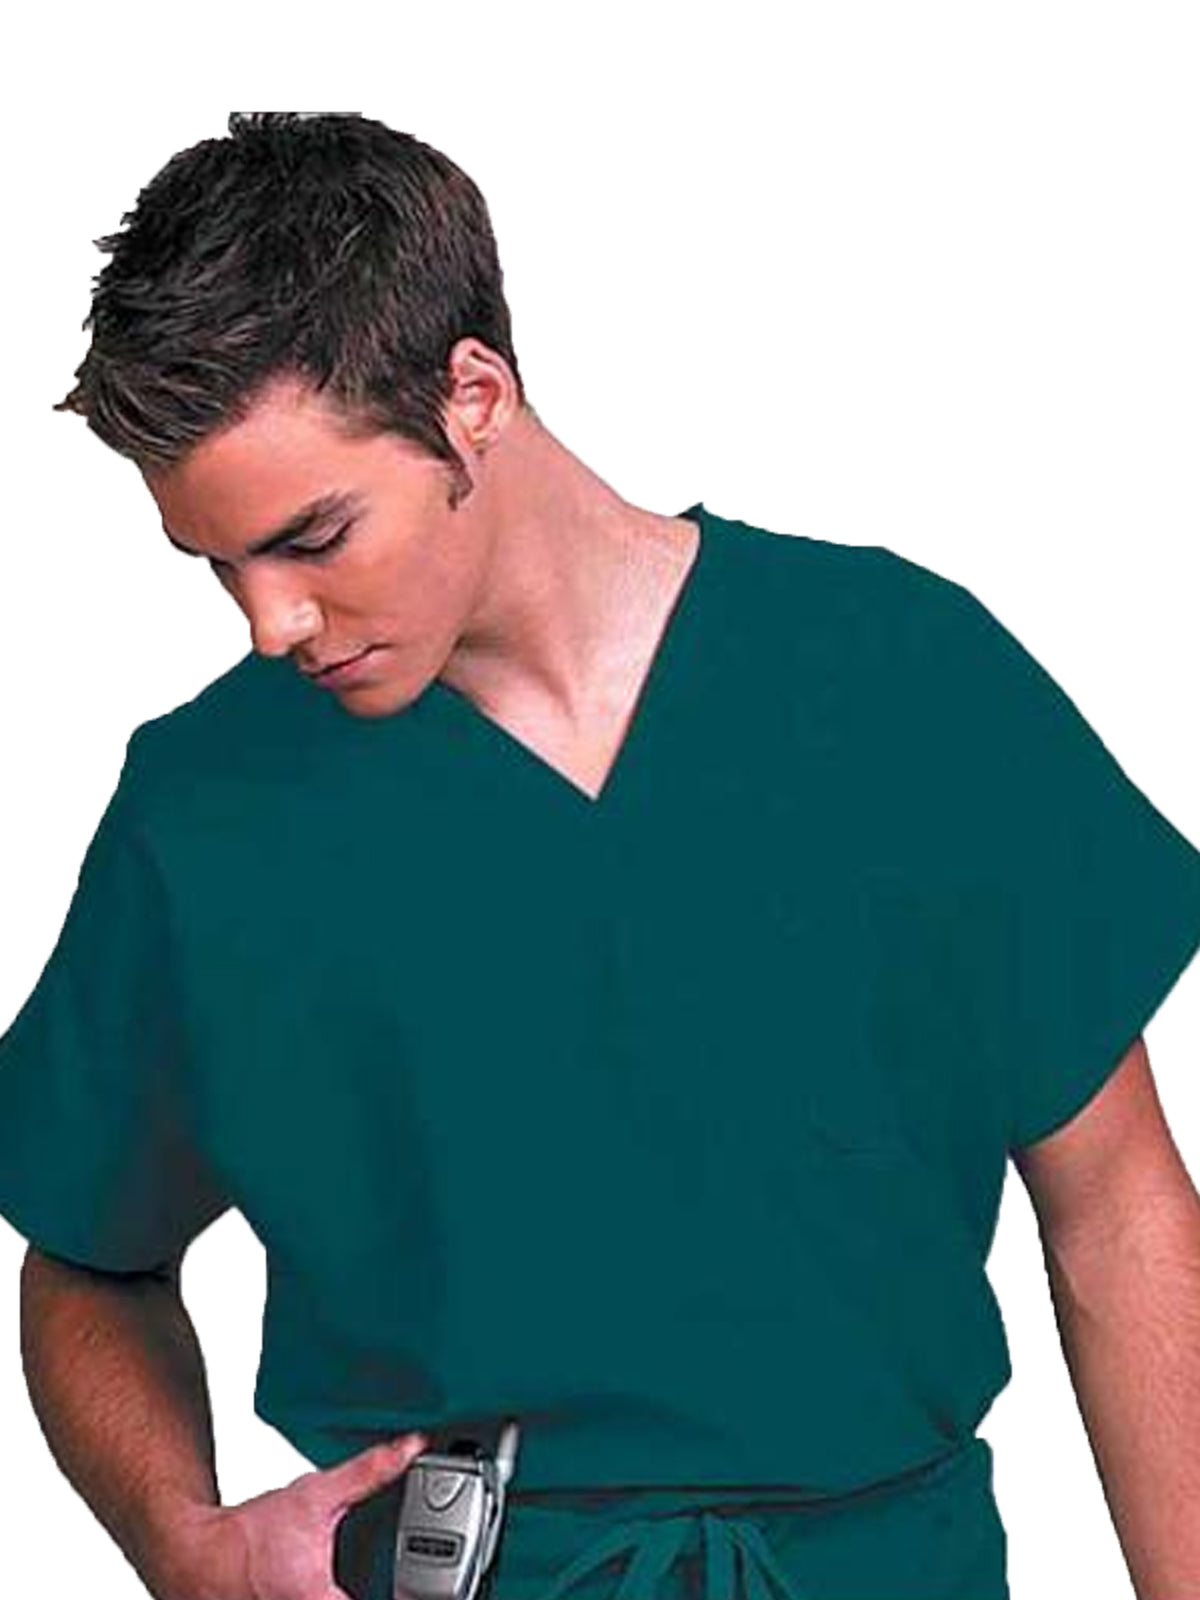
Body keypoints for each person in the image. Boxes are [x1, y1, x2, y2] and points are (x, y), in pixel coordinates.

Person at [1, 111, 1198, 1600]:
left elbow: (1118, 1210)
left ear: (473, 397)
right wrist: (182, 1543)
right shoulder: (206, 807)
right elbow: (90, 1255)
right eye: (218, 564)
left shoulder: (897, 682)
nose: (270, 621)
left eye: (314, 537)